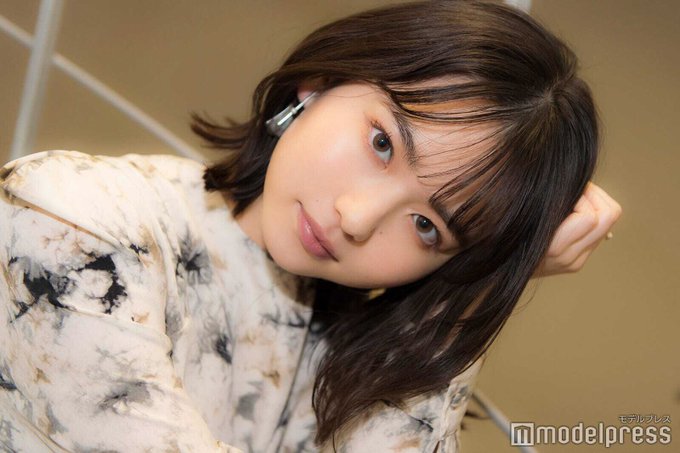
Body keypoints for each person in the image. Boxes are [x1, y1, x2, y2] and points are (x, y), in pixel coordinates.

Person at [0, 1, 621, 452]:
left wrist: (473, 290)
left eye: (428, 227)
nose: (356, 218)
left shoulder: (367, 344)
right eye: (382, 143)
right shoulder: (71, 221)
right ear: (319, 84)